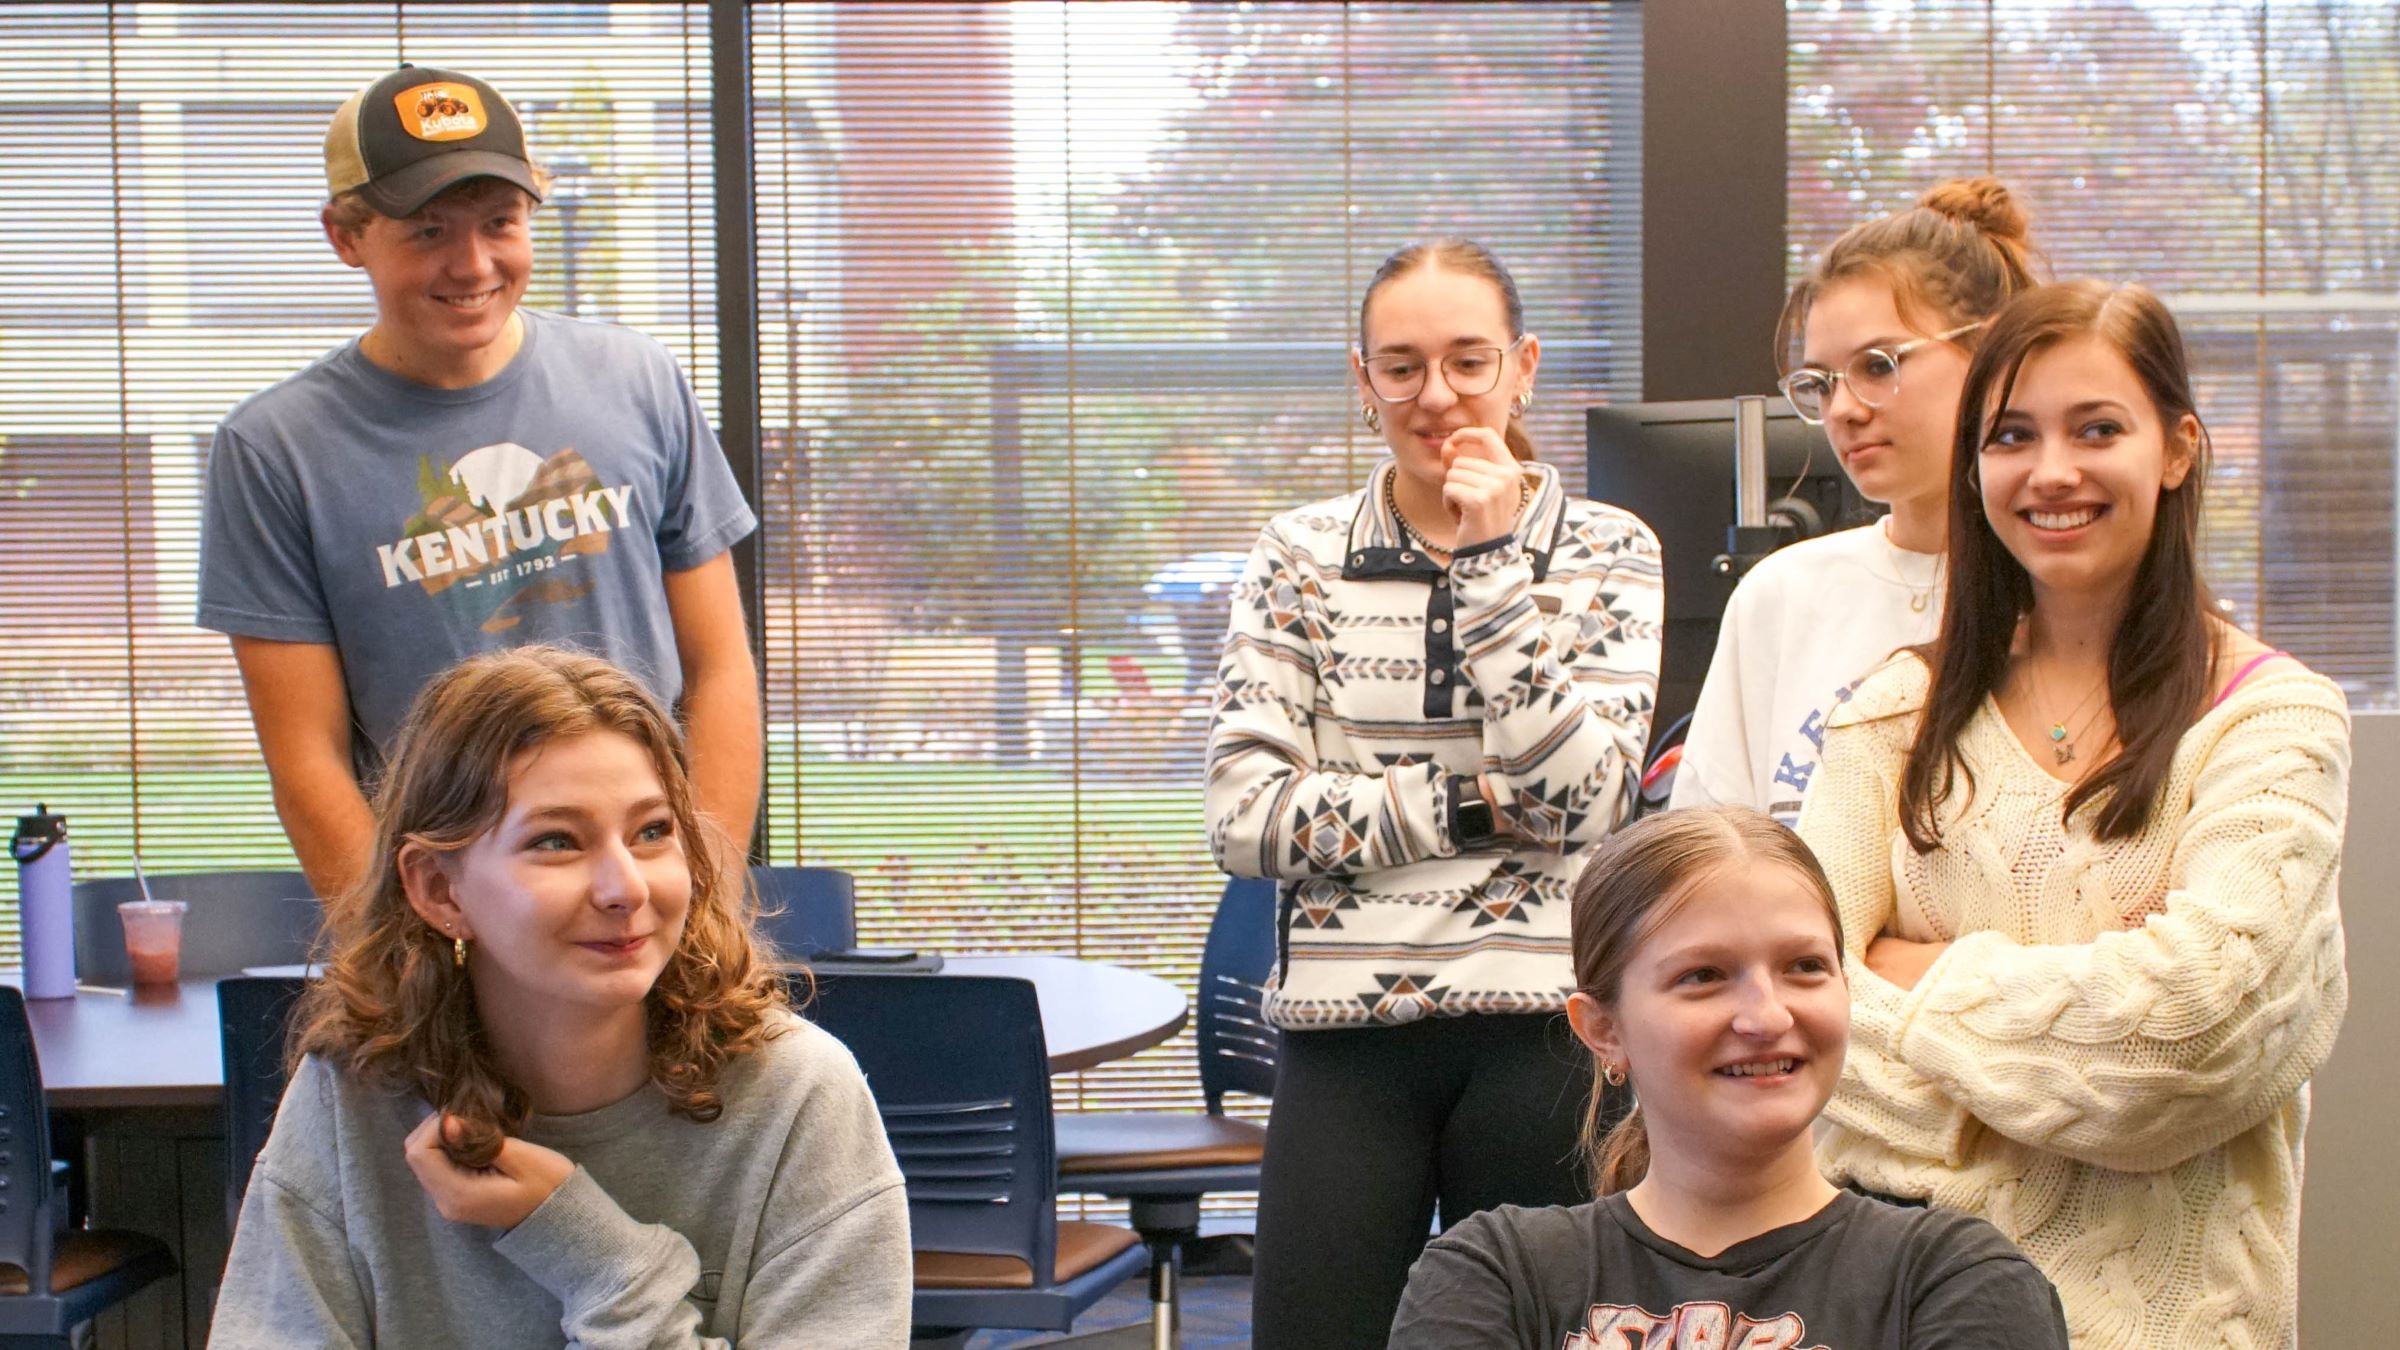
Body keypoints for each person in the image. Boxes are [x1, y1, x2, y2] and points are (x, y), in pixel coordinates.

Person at [1798, 281, 2350, 1348]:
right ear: (1975, 466)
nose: (2052, 472)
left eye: (2098, 428)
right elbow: (1796, 1021)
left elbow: (2196, 1036)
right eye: (2012, 436)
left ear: (2178, 448)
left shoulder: (2272, 721)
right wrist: (2085, 1058)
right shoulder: (1892, 718)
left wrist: (1918, 975)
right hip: (1899, 1314)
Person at [1207, 237, 1664, 1349]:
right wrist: (1469, 805)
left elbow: (1587, 803)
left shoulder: (1609, 549)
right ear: (1363, 382)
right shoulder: (1299, 554)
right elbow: (1246, 818)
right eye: (1401, 367)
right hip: (1345, 1034)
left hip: (1546, 1031)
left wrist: (1492, 561)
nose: (1438, 396)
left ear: (1524, 367)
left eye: (1469, 361)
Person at [210, 645, 909, 1348]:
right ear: (438, 890)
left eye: (653, 832)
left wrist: (594, 1256)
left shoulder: (798, 1095)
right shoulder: (352, 1098)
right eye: (556, 842)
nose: (626, 888)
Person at [197, 65, 761, 904]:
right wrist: (406, 951)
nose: (472, 265)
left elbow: (717, 670)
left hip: (643, 889)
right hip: (442, 906)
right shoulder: (274, 449)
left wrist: (698, 896)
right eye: (428, 232)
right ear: (345, 237)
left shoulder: (638, 380)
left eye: (500, 223)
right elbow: (306, 759)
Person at [1389, 806, 2069, 1349]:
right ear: (1603, 1028)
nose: (1767, 1015)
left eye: (1804, 966)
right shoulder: (1496, 1275)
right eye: (1703, 977)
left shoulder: (1955, 1278)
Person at [1671, 178, 2043, 824]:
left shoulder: (2063, 595)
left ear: (1988, 351)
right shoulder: (1782, 595)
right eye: (1820, 383)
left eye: (1878, 365)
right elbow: (1709, 860)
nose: (1842, 410)